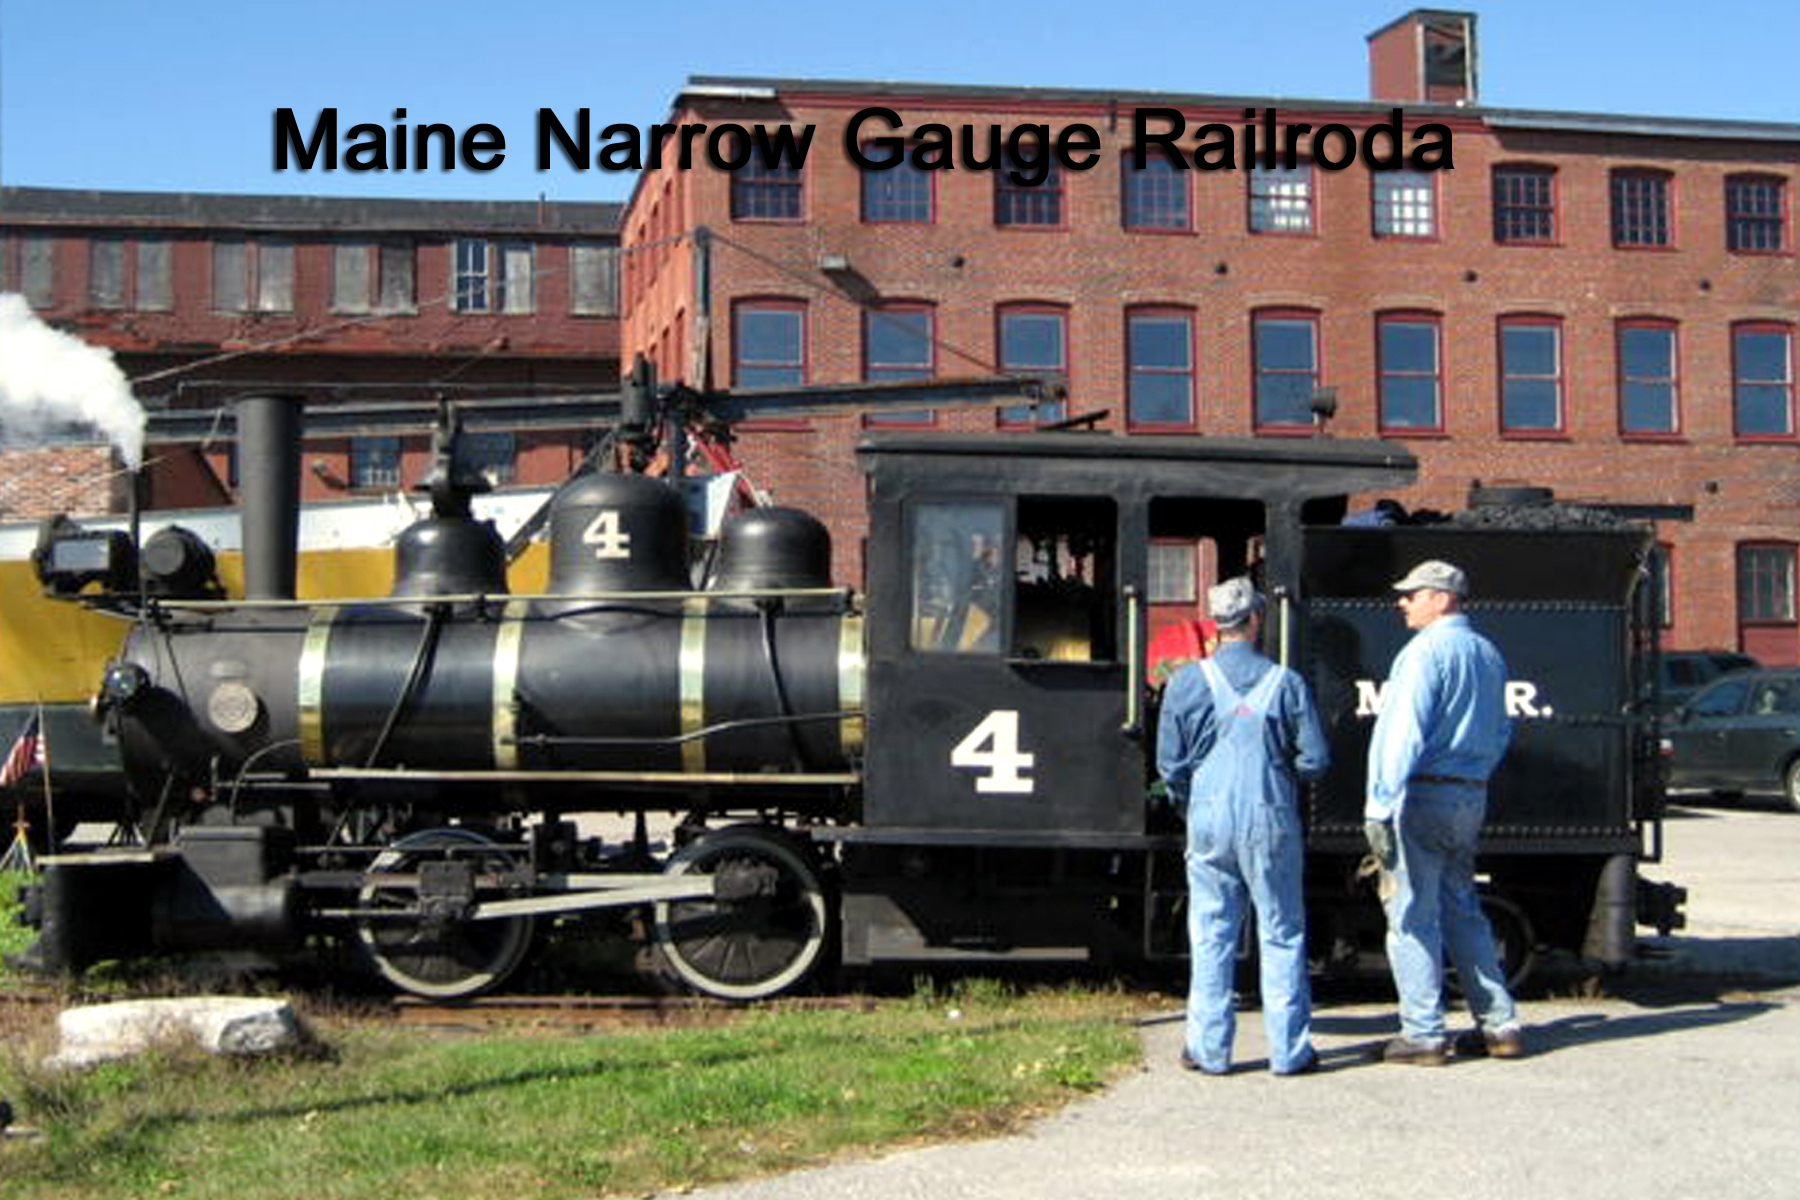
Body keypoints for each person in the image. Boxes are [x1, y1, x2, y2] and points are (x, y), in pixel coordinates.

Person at [1158, 577, 1329, 1076]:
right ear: (1255, 620)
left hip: (1208, 815)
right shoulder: (1288, 683)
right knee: (1281, 931)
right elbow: (1315, 759)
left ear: (1215, 623)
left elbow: (1171, 764)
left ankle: (1208, 1050)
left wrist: (1189, 800)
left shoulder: (1186, 682)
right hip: (1269, 814)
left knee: (1211, 931)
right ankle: (1290, 1051)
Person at [1364, 559, 1525, 1065]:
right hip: (1469, 794)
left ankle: (1424, 1033)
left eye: (1412, 594)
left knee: (1411, 914)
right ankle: (1500, 1025)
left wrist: (1379, 805)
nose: (1403, 602)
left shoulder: (1422, 654)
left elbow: (1401, 733)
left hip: (1423, 795)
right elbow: (1502, 730)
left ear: (1441, 598)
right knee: (1464, 908)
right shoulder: (1487, 653)